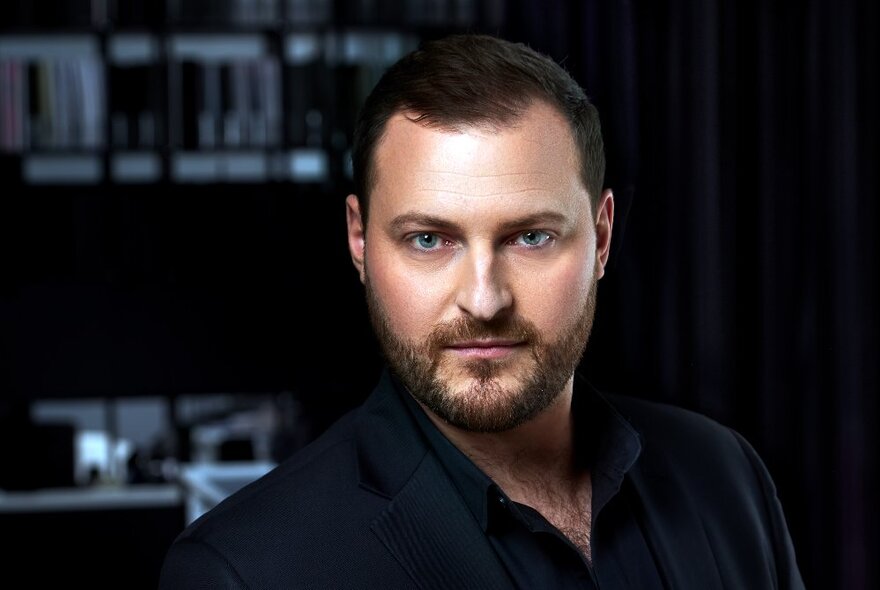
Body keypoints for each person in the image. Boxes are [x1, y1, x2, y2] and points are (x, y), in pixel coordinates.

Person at [159, 34, 804, 589]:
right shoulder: (244, 572)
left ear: (603, 237)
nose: (484, 299)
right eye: (429, 240)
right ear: (359, 242)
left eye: (530, 237)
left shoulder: (725, 475)